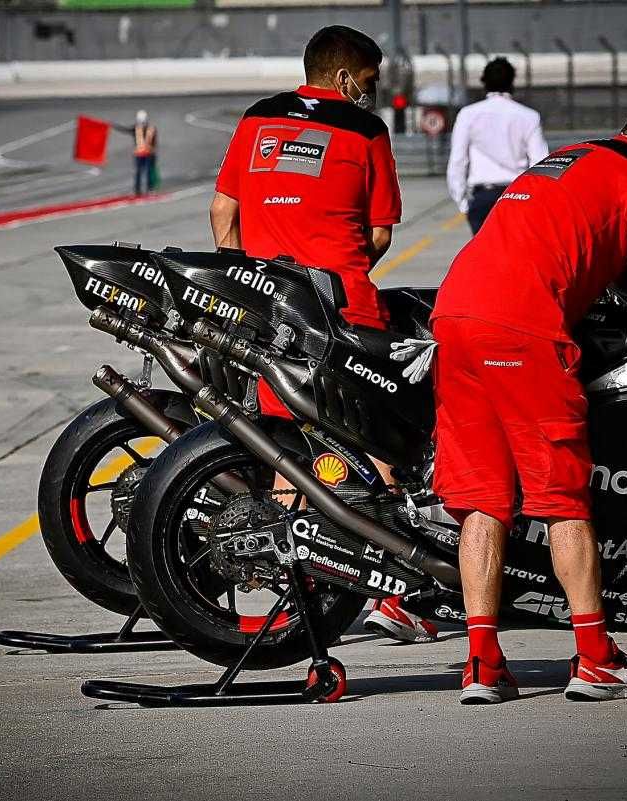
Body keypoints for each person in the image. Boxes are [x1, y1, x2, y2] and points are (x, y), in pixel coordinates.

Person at [430, 92, 627, 704]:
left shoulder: (571, 158)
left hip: (456, 315)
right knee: (562, 496)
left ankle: (481, 665)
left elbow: (606, 262)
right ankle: (593, 659)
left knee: (484, 498)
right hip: (521, 329)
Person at [210, 25, 436, 644]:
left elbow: (223, 215)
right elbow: (382, 234)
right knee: (377, 441)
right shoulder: (366, 132)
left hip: (267, 308)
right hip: (345, 309)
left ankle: (297, 594)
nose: (373, 91)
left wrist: (250, 282)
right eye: (369, 80)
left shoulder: (257, 119)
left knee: (289, 448)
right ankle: (397, 593)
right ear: (343, 77)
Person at [446, 57, 550, 234]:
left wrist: (463, 202)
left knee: (487, 258)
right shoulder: (529, 116)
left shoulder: (468, 114)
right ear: (511, 83)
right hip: (516, 195)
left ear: (484, 83)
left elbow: (458, 160)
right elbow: (540, 163)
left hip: (482, 196)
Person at [132, 110, 157, 196]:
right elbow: (125, 130)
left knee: (149, 171)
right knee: (139, 172)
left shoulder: (151, 129)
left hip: (149, 154)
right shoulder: (136, 129)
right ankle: (138, 190)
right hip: (139, 154)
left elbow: (154, 142)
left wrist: (152, 151)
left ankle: (150, 188)